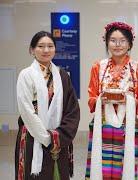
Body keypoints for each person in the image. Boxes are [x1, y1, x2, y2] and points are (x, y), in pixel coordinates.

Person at [15, 31, 80, 180]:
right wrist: (47, 139)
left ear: (55, 49)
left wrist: (59, 137)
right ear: (32, 50)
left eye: (50, 46)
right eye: (40, 46)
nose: (46, 50)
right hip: (33, 137)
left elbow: (72, 109)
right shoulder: (26, 75)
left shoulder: (62, 75)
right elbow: (26, 111)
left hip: (59, 139)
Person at [85, 22, 138, 180]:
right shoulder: (98, 67)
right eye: (113, 40)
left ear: (130, 43)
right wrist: (101, 99)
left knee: (125, 167)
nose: (117, 45)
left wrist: (128, 100)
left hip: (128, 126)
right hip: (102, 125)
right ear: (106, 42)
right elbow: (91, 100)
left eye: (122, 40)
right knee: (101, 166)